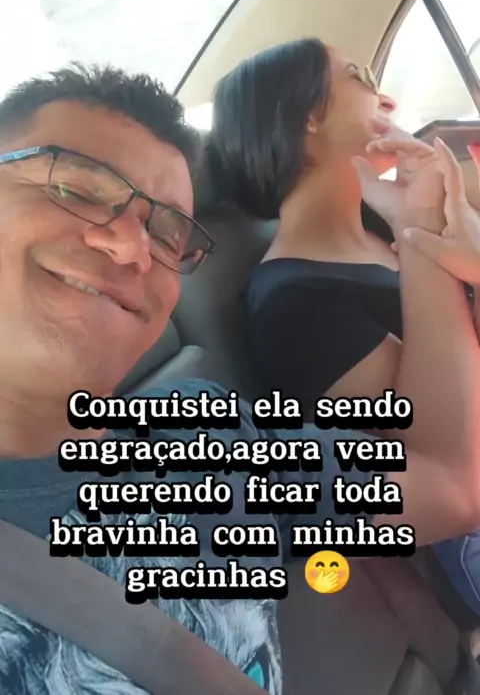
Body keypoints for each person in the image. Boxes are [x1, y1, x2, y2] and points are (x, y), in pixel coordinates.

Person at [0, 62, 478, 695]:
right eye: (78, 188)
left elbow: (452, 483)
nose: (132, 248)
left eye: (168, 232)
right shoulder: (295, 296)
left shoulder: (201, 431)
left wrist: (422, 230)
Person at [207, 37, 480, 617]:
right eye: (359, 76)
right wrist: (421, 228)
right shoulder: (293, 303)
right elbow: (446, 463)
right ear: (307, 113)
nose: (388, 98)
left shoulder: (378, 230)